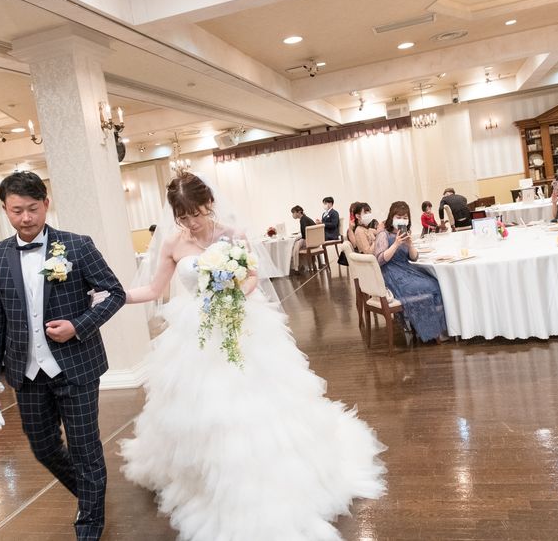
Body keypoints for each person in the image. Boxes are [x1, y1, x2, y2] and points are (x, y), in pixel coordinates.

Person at [120, 172, 386, 540]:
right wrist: (115, 296)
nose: (191, 223)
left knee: (255, 400)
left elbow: (251, 278)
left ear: (208, 203)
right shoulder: (172, 242)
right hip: (196, 332)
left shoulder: (232, 235)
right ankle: (208, 476)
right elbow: (153, 289)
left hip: (240, 325)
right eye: (183, 216)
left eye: (196, 213)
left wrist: (232, 296)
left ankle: (264, 474)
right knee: (201, 407)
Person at [0, 172, 125, 540]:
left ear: (46, 204)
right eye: (17, 210)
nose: (26, 218)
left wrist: (78, 325)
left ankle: (89, 525)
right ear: (5, 210)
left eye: (33, 209)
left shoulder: (77, 246)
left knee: (84, 449)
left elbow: (115, 293)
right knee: (43, 446)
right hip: (26, 372)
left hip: (76, 366)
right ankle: (91, 495)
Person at [375, 200, 447, 343]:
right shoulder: (384, 234)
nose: (402, 220)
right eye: (398, 217)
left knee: (435, 282)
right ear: (391, 217)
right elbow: (380, 260)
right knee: (427, 287)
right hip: (391, 273)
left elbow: (414, 257)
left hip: (406, 269)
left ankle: (436, 329)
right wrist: (396, 244)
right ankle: (428, 330)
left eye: (405, 217)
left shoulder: (405, 234)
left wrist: (410, 244)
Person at [290, 205, 317, 272]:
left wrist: (297, 238)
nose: (293, 215)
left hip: (310, 241)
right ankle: (303, 265)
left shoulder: (303, 220)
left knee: (295, 245)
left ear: (299, 212)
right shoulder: (305, 218)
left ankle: (296, 267)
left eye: (293, 213)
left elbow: (304, 235)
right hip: (314, 241)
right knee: (297, 244)